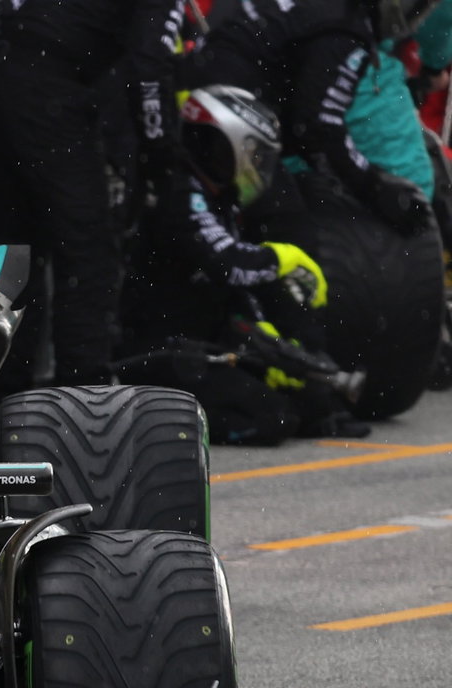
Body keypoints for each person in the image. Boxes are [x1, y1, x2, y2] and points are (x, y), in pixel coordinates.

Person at [0, 0, 192, 409]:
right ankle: (87, 401)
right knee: (88, 253)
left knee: (16, 254)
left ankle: (0, 403)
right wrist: (161, 152)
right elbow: (149, 63)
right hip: (41, 82)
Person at [117, 86, 367, 443]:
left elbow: (236, 284)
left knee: (311, 402)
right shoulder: (178, 192)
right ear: (227, 143)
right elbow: (227, 263)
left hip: (208, 345)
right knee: (274, 420)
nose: (259, 166)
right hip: (161, 351)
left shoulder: (218, 199)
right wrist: (281, 258)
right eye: (256, 154)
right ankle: (159, 428)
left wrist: (270, 338)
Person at [186, 0, 440, 236]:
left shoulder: (336, 14)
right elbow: (316, 125)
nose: (414, 20)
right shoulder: (347, 27)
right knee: (289, 226)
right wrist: (376, 188)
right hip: (222, 119)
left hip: (202, 95)